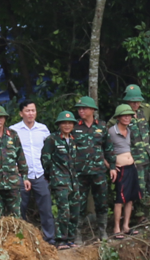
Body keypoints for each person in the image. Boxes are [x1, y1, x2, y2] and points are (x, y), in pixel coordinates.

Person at [9, 100, 58, 243]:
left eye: (33, 110)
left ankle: (49, 239)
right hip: (21, 175)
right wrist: (15, 169)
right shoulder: (13, 130)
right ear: (21, 113)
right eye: (27, 111)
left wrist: (49, 170)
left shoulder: (43, 129)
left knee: (46, 208)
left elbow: (50, 150)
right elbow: (9, 151)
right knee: (20, 208)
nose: (31, 113)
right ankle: (21, 239)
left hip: (40, 174)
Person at [41, 110, 83, 247]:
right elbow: (45, 160)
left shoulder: (74, 139)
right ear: (59, 124)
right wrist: (52, 175)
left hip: (73, 181)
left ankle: (70, 238)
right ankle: (61, 240)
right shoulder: (52, 139)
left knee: (75, 211)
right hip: (59, 181)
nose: (67, 125)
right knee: (63, 211)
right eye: (64, 123)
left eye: (70, 123)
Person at [73, 95, 111, 236]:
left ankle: (102, 232)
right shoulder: (74, 127)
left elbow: (108, 148)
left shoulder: (101, 126)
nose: (81, 111)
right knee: (79, 203)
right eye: (79, 109)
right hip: (79, 172)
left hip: (98, 171)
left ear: (92, 110)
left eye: (84, 108)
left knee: (102, 202)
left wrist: (112, 166)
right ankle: (77, 234)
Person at [108, 104, 141, 237]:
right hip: (120, 169)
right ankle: (116, 228)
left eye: (129, 116)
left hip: (131, 167)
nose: (127, 118)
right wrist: (110, 166)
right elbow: (102, 149)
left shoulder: (129, 130)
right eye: (124, 116)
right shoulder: (111, 131)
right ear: (118, 117)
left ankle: (126, 226)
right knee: (120, 199)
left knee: (130, 198)